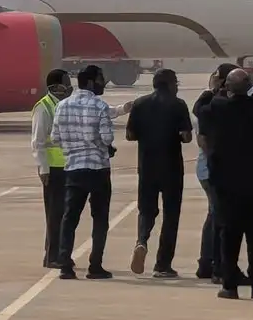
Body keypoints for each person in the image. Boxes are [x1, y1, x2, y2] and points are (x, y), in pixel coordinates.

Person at [198, 69, 253, 299]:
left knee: (228, 233)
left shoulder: (219, 106)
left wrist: (215, 88)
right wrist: (249, 86)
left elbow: (200, 109)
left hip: (226, 180)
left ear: (227, 87)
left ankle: (230, 286)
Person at [126, 67, 192, 278]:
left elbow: (129, 135)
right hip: (172, 168)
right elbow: (186, 137)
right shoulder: (178, 105)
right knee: (171, 215)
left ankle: (141, 240)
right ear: (171, 84)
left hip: (147, 166)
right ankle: (163, 265)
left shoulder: (139, 103)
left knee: (146, 210)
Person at [52, 64, 117, 280]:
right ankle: (95, 265)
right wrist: (102, 146)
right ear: (90, 82)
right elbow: (107, 138)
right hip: (97, 169)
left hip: (73, 168)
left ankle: (65, 265)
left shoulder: (62, 106)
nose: (103, 84)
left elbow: (55, 138)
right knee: (99, 219)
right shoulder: (99, 105)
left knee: (69, 218)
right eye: (101, 80)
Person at [191, 63, 235, 280]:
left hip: (208, 167)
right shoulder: (213, 105)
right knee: (219, 217)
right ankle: (214, 264)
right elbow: (204, 141)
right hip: (213, 168)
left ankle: (207, 262)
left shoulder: (206, 102)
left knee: (215, 215)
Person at [31, 69, 72, 269]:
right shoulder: (44, 108)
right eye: (66, 83)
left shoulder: (62, 106)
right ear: (55, 87)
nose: (69, 86)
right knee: (55, 214)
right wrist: (43, 168)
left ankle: (62, 253)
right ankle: (52, 256)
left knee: (65, 214)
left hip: (66, 167)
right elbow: (38, 141)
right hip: (53, 171)